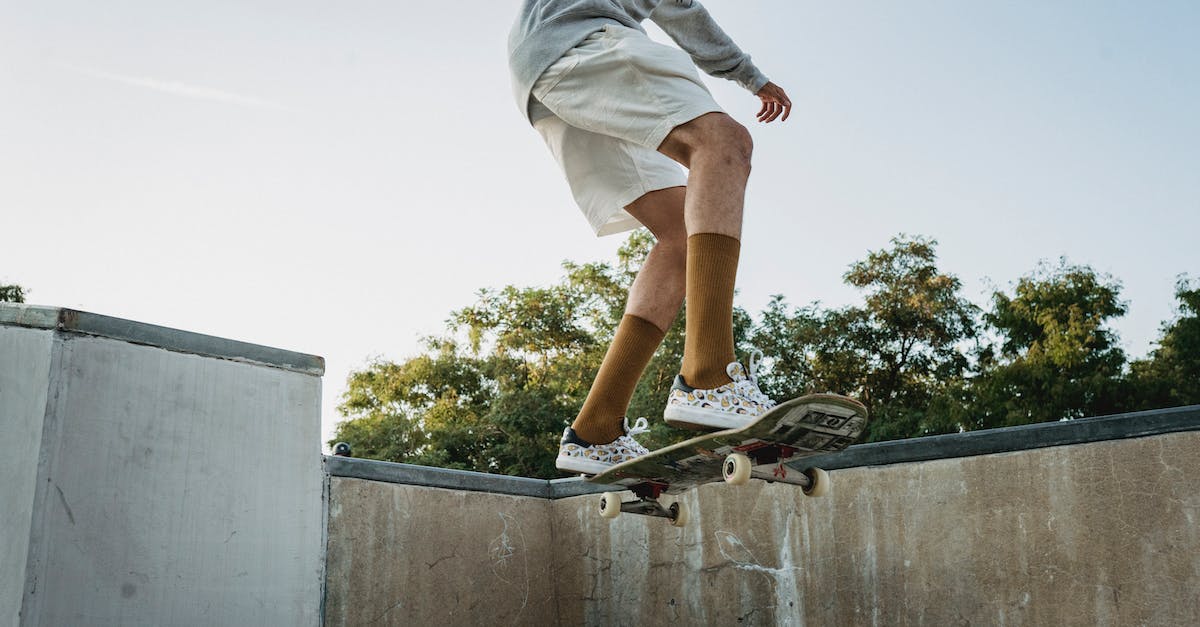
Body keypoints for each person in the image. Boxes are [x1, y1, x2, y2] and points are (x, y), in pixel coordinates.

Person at [507, 0, 792, 475]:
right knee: (722, 142)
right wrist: (751, 76)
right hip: (580, 43)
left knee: (680, 234)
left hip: (543, 73)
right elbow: (682, 11)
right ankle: (709, 374)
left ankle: (595, 431)